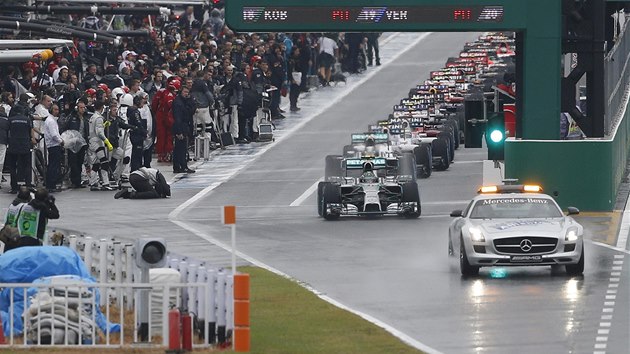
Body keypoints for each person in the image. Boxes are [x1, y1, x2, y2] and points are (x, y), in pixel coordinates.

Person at [6, 104, 36, 193]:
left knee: (12, 167)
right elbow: (30, 131)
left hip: (13, 146)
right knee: (27, 165)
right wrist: (33, 140)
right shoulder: (27, 120)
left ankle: (14, 187)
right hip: (24, 145)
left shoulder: (10, 120)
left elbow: (8, 131)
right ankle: (28, 184)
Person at [87, 100, 114, 191]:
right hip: (98, 143)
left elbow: (95, 129)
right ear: (102, 108)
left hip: (92, 142)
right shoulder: (99, 118)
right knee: (104, 162)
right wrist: (107, 142)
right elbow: (99, 133)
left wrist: (103, 125)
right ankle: (105, 183)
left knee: (96, 164)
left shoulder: (92, 117)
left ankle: (93, 182)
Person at [152, 77, 179, 162]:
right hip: (165, 118)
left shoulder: (162, 92)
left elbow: (154, 105)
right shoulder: (168, 95)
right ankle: (164, 154)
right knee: (165, 136)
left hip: (163, 117)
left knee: (165, 136)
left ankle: (164, 154)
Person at [65, 100, 90, 188]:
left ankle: (78, 181)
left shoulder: (86, 118)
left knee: (80, 162)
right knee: (73, 162)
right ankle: (74, 181)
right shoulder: (72, 118)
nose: (82, 109)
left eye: (84, 108)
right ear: (77, 108)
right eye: (81, 108)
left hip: (82, 143)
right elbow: (66, 128)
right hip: (73, 143)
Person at [172, 86, 195, 174]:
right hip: (180, 126)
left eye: (187, 92)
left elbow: (191, 111)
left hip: (184, 125)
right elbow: (177, 118)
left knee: (180, 148)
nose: (186, 94)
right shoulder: (178, 102)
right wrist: (179, 131)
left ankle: (178, 166)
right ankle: (182, 166)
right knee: (181, 148)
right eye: (185, 92)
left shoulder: (185, 101)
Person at [0, 187, 32, 251]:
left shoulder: (12, 204)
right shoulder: (25, 206)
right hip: (17, 234)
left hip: (9, 233)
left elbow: (6, 219)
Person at [43, 103, 64, 192]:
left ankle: (50, 184)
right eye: (55, 109)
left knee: (52, 164)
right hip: (54, 145)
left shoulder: (51, 120)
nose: (57, 111)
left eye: (58, 110)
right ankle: (51, 185)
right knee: (53, 165)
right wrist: (61, 141)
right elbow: (54, 135)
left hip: (52, 145)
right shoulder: (51, 121)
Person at [127, 95, 148, 172]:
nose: (143, 104)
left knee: (135, 155)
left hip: (133, 135)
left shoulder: (130, 111)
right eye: (142, 102)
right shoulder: (135, 112)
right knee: (137, 155)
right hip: (137, 137)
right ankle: (136, 170)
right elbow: (138, 123)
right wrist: (144, 132)